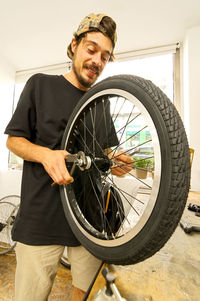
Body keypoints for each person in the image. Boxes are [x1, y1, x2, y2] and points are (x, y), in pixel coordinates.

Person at [5, 13, 132, 301]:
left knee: (84, 294)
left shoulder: (101, 102)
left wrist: (119, 159)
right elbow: (14, 140)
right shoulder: (40, 85)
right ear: (74, 45)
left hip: (89, 222)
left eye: (105, 56)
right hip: (40, 220)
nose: (97, 61)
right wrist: (46, 155)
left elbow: (107, 149)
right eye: (91, 49)